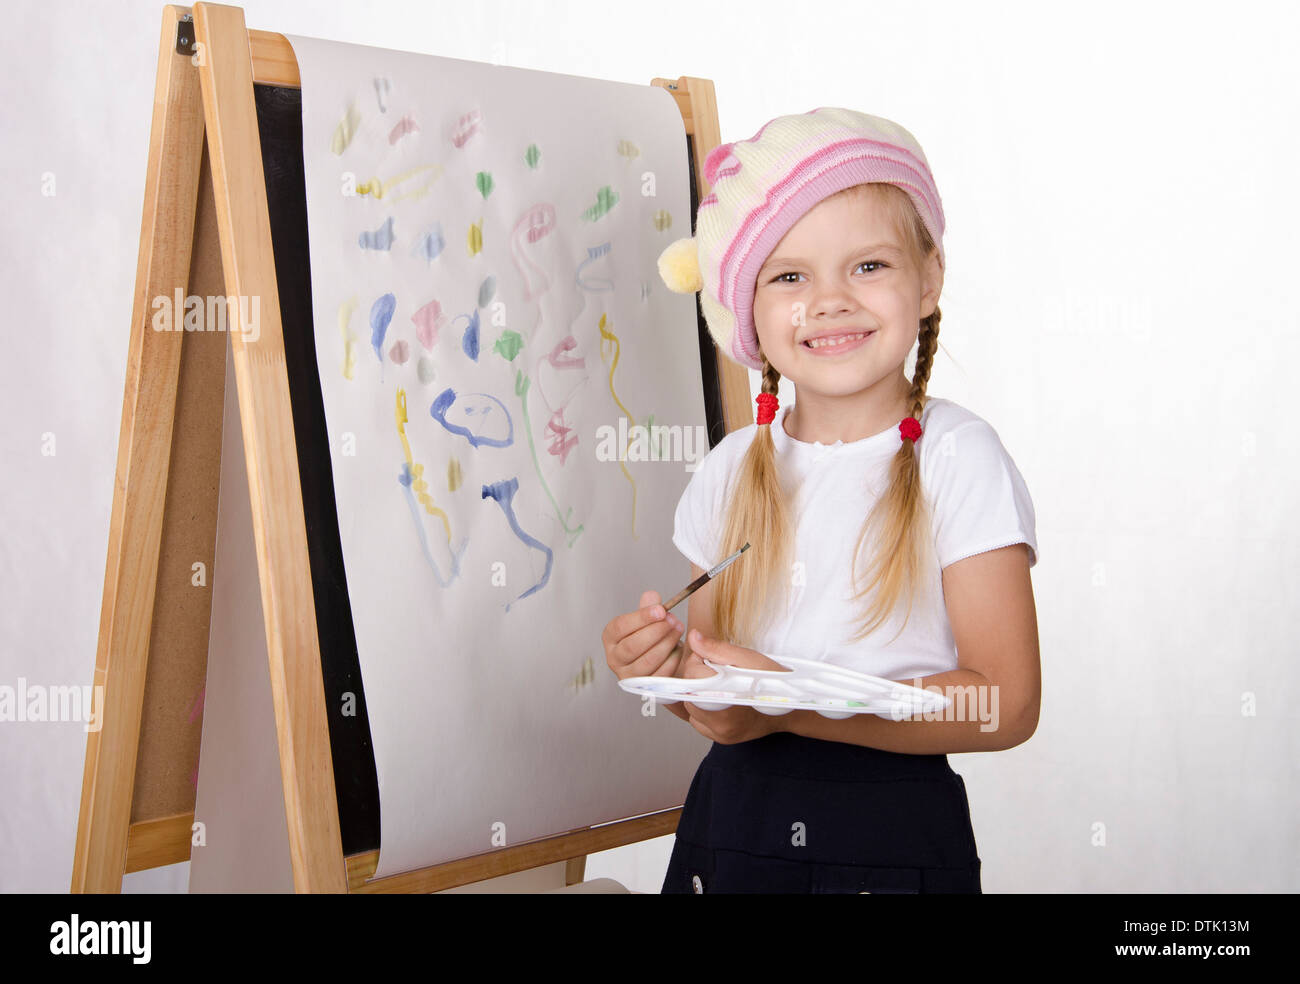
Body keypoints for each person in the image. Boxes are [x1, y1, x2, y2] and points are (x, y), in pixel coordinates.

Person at [601, 107, 1040, 893]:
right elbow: (721, 705)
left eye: (868, 266)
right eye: (790, 276)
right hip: (729, 834)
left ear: (929, 277)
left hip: (891, 841)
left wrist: (784, 704)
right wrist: (670, 671)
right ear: (749, 313)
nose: (829, 301)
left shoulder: (956, 458)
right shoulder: (731, 470)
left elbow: (1001, 706)